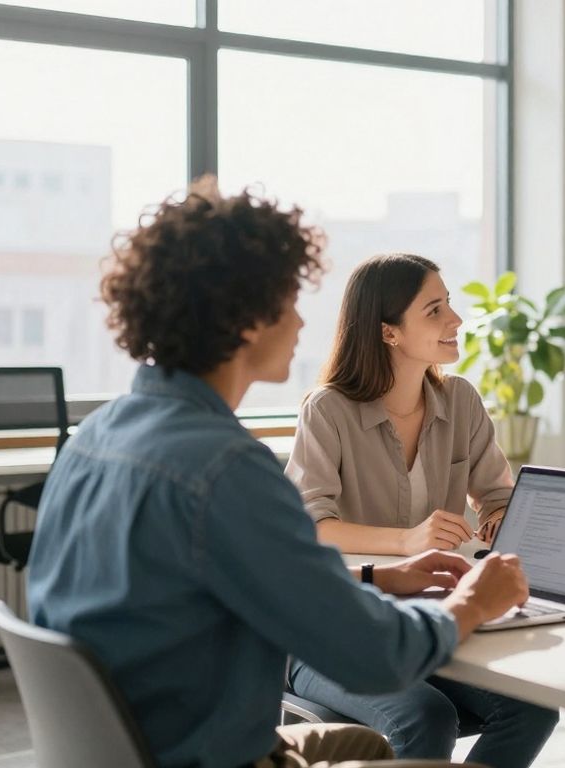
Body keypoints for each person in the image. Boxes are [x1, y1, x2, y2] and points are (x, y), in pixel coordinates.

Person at [27, 179, 531, 768]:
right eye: (289, 300)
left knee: (368, 745)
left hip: (132, 748)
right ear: (246, 321)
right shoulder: (224, 471)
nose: (299, 322)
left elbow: (254, 579)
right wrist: (472, 601)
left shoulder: (93, 438)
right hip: (217, 755)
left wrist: (380, 578)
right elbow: (376, 654)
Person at [284, 253, 558, 763]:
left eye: (449, 304)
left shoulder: (460, 401)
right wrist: (406, 542)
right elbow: (310, 527)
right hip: (333, 630)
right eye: (435, 310)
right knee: (426, 717)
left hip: (432, 615)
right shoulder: (328, 410)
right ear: (389, 332)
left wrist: (501, 522)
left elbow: (497, 496)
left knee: (534, 707)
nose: (455, 319)